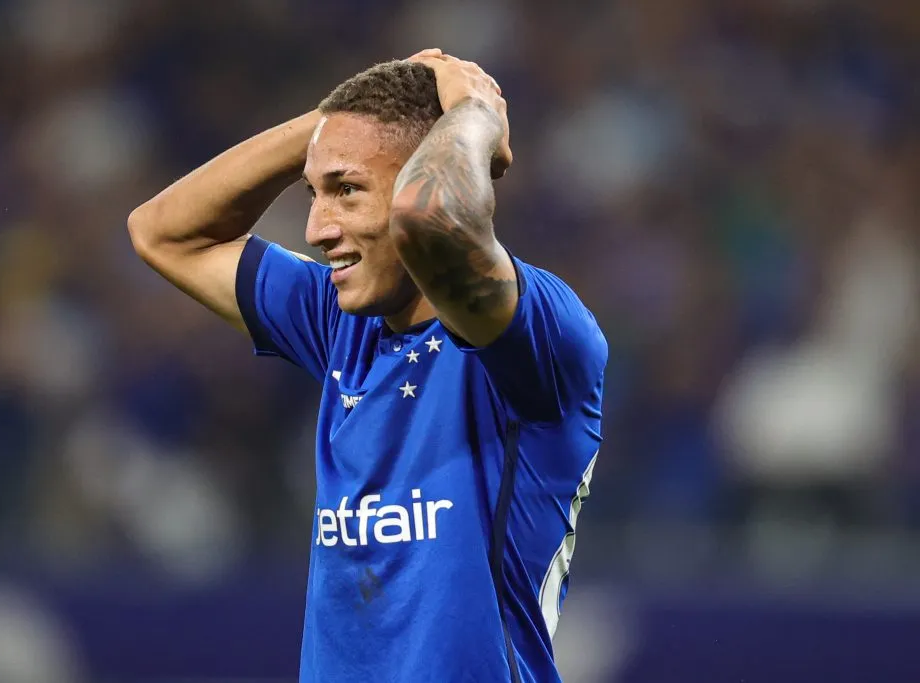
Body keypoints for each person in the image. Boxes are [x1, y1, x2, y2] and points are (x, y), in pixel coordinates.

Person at [128, 48, 608, 683]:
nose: (316, 228)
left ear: (424, 174)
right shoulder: (341, 323)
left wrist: (475, 110)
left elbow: (432, 220)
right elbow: (162, 231)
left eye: (346, 190)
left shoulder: (536, 342)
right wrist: (334, 122)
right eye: (314, 193)